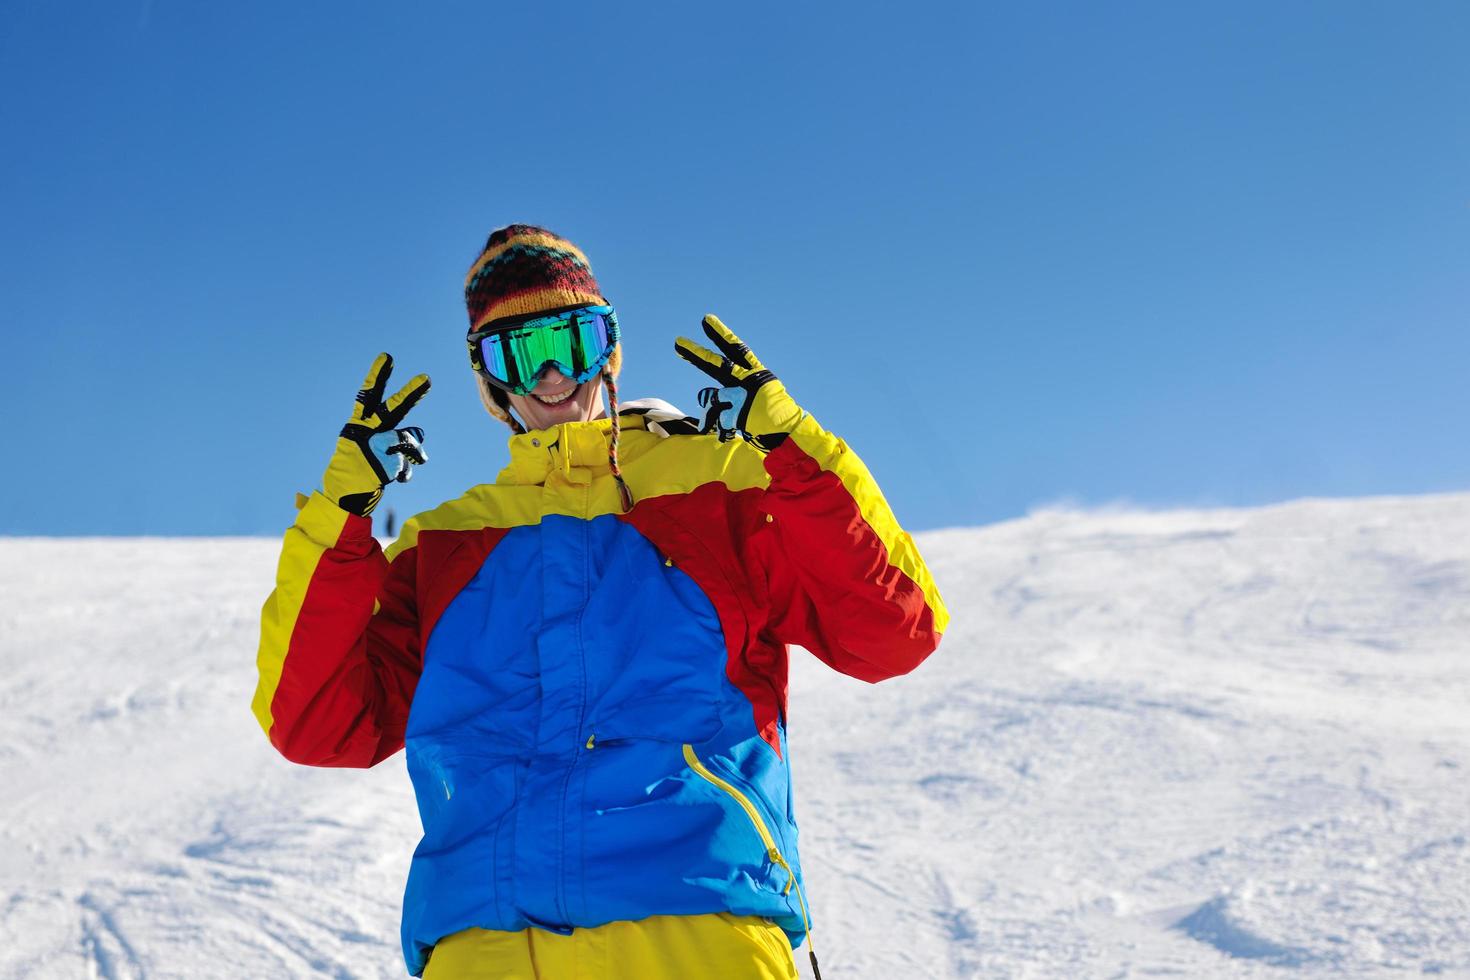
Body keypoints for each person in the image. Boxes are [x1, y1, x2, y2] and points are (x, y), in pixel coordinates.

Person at [251, 225, 949, 979]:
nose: (551, 374)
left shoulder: (721, 491)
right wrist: (339, 517)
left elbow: (892, 632)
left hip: (697, 923)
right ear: (490, 381)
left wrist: (791, 450)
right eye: (518, 351)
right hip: (487, 941)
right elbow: (316, 725)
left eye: (572, 339)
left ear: (608, 348)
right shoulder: (443, 544)